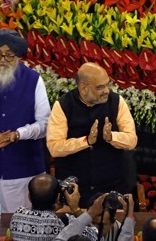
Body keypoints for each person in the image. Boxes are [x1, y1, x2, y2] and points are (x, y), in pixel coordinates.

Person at [0, 29, 51, 213]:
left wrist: (18, 135)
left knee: (19, 225)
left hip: (23, 171)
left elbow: (45, 124)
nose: (2, 59)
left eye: (9, 56)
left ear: (18, 56)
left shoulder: (33, 80)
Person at [47, 62, 138, 207]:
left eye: (107, 85)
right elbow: (54, 147)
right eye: (100, 87)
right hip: (75, 190)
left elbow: (132, 140)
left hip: (111, 187)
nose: (106, 91)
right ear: (83, 88)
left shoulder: (117, 101)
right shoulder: (63, 105)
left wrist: (112, 137)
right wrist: (86, 141)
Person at [10, 174, 88, 240]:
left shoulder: (17, 216)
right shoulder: (61, 223)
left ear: (29, 197)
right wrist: (75, 208)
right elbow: (93, 234)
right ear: (58, 197)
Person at [54, 193, 135, 241]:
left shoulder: (118, 229)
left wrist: (89, 214)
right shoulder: (71, 223)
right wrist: (129, 216)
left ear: (112, 223)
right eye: (91, 223)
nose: (94, 229)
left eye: (101, 225)